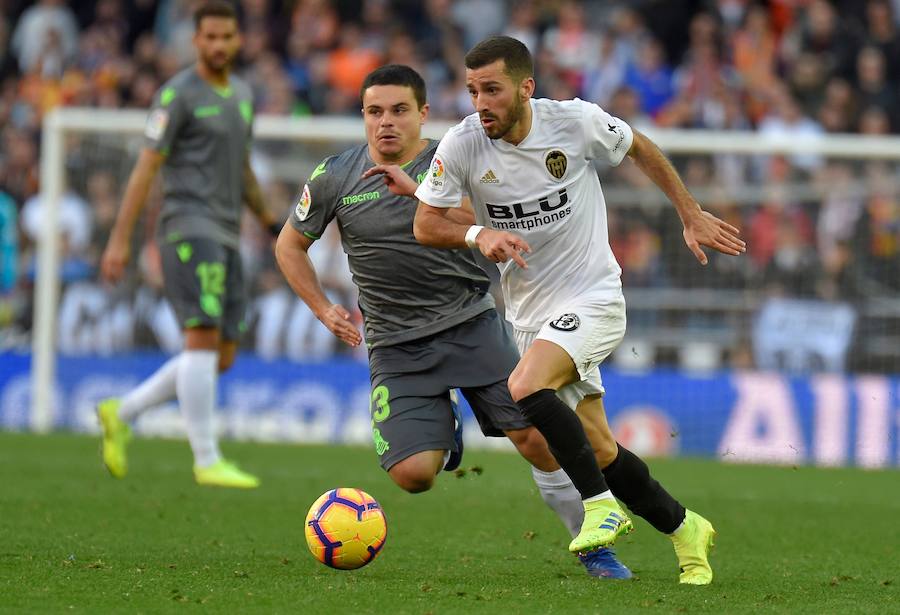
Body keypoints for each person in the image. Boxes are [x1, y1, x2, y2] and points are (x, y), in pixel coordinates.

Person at [275, 64, 631, 579]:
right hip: (396, 345)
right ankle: (446, 426)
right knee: (413, 476)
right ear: (363, 117)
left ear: (422, 113)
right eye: (375, 112)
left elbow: (494, 216)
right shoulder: (335, 175)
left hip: (470, 325)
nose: (386, 123)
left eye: (399, 110)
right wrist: (321, 307)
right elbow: (289, 244)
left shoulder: (457, 155)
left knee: (536, 438)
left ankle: (593, 548)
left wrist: (450, 212)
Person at [413, 36, 746, 585]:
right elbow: (426, 222)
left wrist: (688, 212)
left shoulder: (574, 123)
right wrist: (477, 233)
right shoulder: (464, 143)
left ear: (526, 88)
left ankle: (599, 505)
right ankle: (687, 529)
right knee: (599, 447)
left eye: (492, 89)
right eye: (472, 91)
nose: (480, 103)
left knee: (524, 389)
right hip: (531, 316)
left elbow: (638, 145)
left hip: (594, 297)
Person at [95, 1, 281, 489]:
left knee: (220, 355)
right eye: (210, 37)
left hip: (227, 230)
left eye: (227, 37)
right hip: (187, 226)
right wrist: (119, 240)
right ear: (195, 40)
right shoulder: (176, 95)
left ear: (238, 40)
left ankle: (123, 411)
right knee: (199, 337)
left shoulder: (241, 93)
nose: (218, 45)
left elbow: (241, 167)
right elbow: (145, 169)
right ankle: (206, 459)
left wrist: (267, 218)